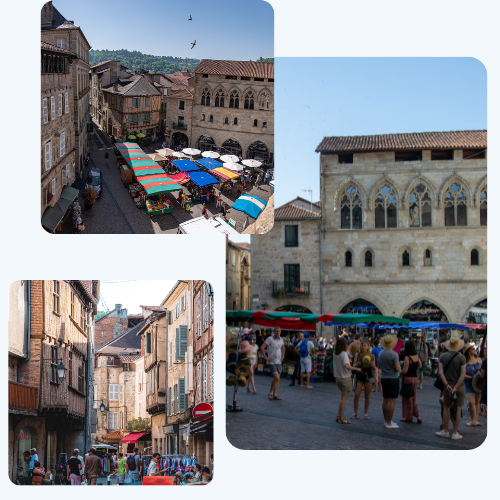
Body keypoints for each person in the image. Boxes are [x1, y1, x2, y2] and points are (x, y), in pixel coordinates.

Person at [436, 335, 467, 440]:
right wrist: (456, 387)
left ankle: (446, 430)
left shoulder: (443, 356)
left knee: (446, 408)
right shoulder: (461, 357)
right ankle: (455, 432)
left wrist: (447, 385)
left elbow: (440, 372)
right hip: (460, 386)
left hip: (447, 386)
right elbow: (463, 375)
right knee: (458, 409)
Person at [333, 337, 361, 424]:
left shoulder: (335, 353)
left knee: (342, 398)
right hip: (345, 377)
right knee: (344, 399)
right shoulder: (343, 353)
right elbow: (346, 366)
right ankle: (341, 418)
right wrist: (356, 368)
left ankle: (339, 415)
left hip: (338, 378)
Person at [378, 334, 401, 429]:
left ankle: (386, 420)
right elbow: (398, 368)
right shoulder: (394, 354)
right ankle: (389, 421)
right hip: (392, 378)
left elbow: (379, 366)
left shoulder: (381, 353)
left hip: (383, 377)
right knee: (392, 401)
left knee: (385, 400)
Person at [351, 339, 376, 419]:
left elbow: (374, 368)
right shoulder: (357, 355)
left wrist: (373, 366)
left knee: (367, 395)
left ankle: (365, 412)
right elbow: (353, 366)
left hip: (368, 375)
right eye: (362, 345)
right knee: (357, 394)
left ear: (368, 346)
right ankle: (355, 412)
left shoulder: (371, 356)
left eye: (365, 345)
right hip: (360, 375)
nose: (363, 347)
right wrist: (357, 364)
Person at [400, 341, 422, 423]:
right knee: (413, 398)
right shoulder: (416, 356)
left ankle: (408, 417)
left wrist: (400, 372)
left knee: (407, 398)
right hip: (415, 378)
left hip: (407, 379)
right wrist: (414, 368)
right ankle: (418, 416)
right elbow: (420, 365)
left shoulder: (407, 357)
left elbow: (405, 370)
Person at [261, 326, 285, 400]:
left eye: (279, 331)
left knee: (277, 379)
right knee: (276, 377)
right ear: (274, 332)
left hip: (279, 361)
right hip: (272, 361)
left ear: (280, 332)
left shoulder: (281, 339)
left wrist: (283, 356)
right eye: (276, 331)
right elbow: (262, 347)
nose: (278, 333)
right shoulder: (270, 339)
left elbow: (283, 347)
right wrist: (265, 357)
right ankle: (271, 392)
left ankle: (274, 394)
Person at [463, 343, 482, 427]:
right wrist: (471, 377)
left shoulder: (479, 360)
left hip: (478, 384)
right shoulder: (465, 361)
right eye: (472, 349)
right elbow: (462, 374)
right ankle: (472, 420)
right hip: (469, 383)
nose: (474, 350)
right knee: (471, 402)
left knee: (477, 402)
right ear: (468, 351)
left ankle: (476, 420)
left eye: (474, 349)